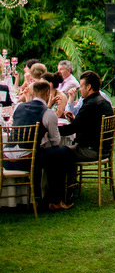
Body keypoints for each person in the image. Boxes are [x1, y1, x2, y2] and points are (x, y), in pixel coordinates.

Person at [7, 79, 74, 211]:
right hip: (28, 158)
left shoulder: (18, 108)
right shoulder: (48, 113)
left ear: (32, 93)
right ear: (48, 93)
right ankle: (55, 199)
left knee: (52, 154)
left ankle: (38, 198)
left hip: (7, 156)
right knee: (63, 152)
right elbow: (55, 141)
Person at [63, 71, 115, 162]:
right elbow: (90, 125)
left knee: (55, 153)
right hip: (104, 149)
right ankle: (71, 176)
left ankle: (63, 177)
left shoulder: (91, 104)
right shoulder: (103, 102)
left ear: (88, 87)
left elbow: (72, 129)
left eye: (81, 86)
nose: (79, 89)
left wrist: (51, 130)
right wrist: (74, 120)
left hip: (91, 150)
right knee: (62, 152)